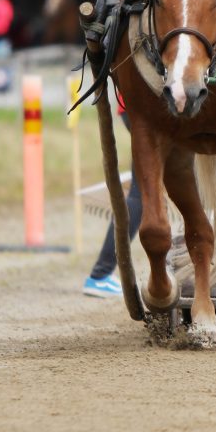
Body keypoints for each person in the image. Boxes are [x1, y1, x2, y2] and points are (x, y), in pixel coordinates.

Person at [83, 106, 143, 298]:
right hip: (149, 108)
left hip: (130, 106)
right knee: (140, 193)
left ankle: (101, 274)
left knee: (140, 193)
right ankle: (100, 274)